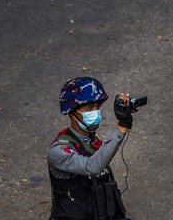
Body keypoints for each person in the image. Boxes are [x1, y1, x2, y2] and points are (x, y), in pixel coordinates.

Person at [48, 77, 135, 220]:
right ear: (72, 112)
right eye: (89, 108)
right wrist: (121, 127)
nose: (95, 112)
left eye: (97, 107)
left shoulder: (93, 142)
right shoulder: (58, 150)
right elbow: (92, 166)